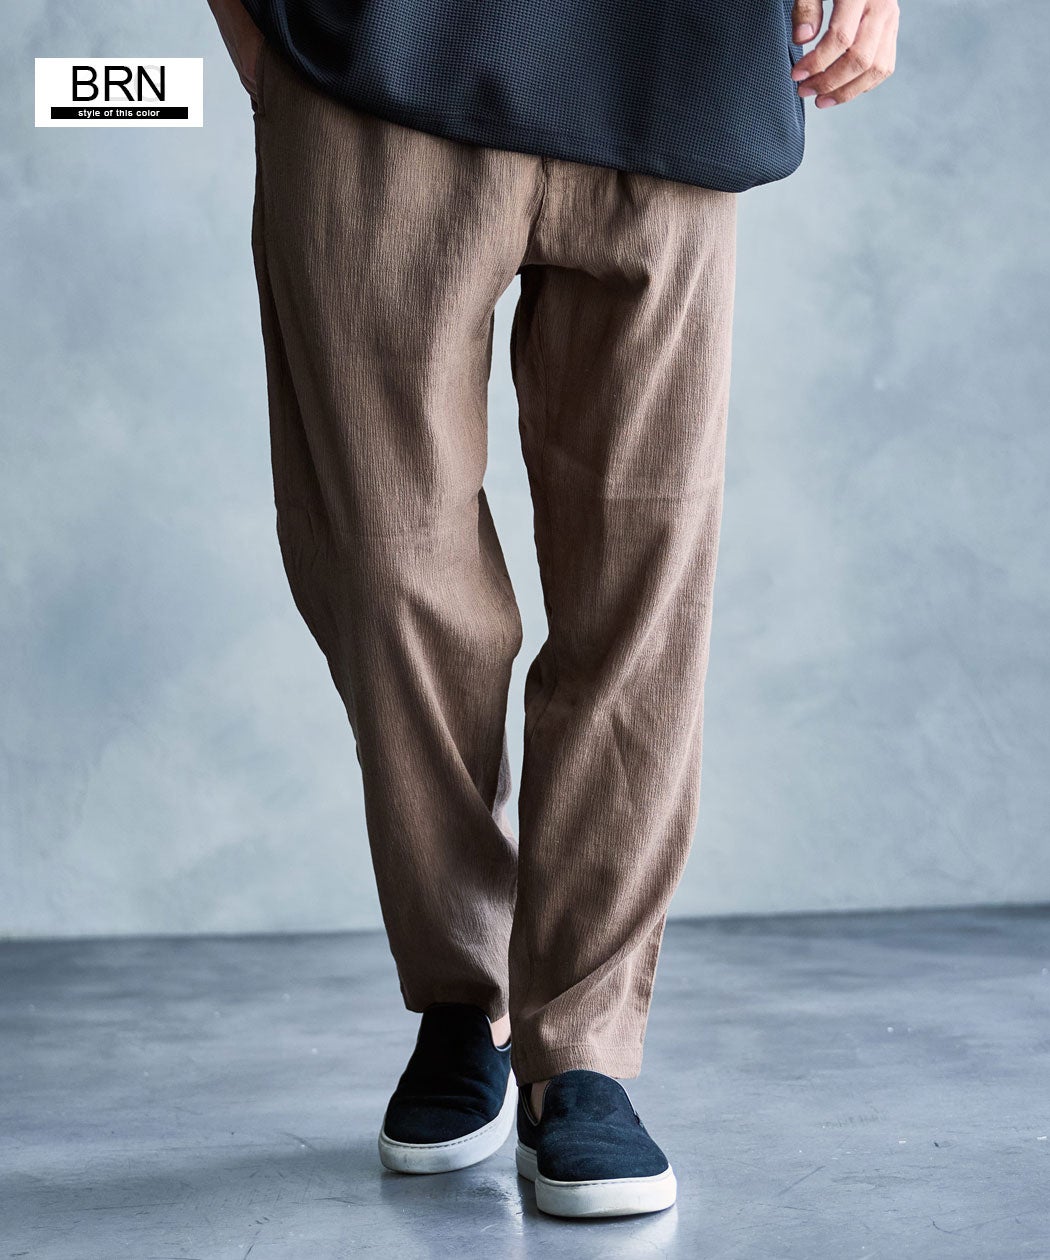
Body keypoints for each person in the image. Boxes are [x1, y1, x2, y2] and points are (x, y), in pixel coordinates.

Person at [206, 0, 899, 1219]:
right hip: (372, 54)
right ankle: (459, 996)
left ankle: (583, 1048)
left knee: (644, 577)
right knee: (384, 560)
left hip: (672, 60)